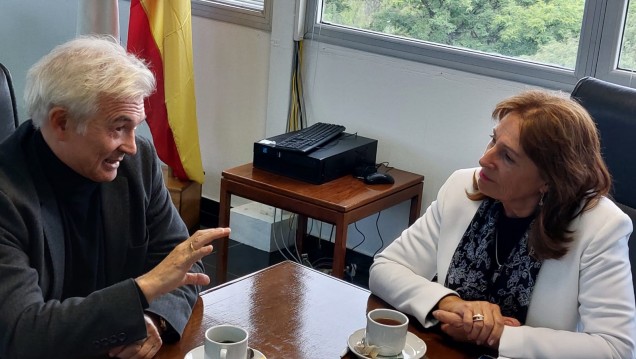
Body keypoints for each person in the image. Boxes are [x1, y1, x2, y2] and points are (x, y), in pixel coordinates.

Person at [0, 36, 230, 359]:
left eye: (135, 127)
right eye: (118, 128)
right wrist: (144, 290)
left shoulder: (137, 164)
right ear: (61, 122)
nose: (132, 146)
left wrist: (150, 319)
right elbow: (22, 334)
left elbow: (182, 267)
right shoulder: (6, 197)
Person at [369, 90, 636, 359]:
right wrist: (451, 303)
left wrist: (496, 335)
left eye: (507, 156)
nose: (484, 159)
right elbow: (385, 268)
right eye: (493, 140)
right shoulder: (461, 187)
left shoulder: (601, 227)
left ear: (549, 179)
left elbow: (616, 349)